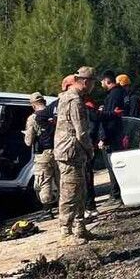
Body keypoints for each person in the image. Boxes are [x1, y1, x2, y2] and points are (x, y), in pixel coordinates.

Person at [55, 68, 96, 240]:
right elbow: (81, 132)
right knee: (70, 192)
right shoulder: (75, 100)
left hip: (71, 151)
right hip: (70, 152)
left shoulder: (68, 97)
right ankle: (66, 230)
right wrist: (90, 149)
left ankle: (80, 227)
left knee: (80, 190)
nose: (94, 86)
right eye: (93, 82)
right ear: (86, 81)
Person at [97, 71, 130, 202]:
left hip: (114, 136)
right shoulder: (121, 93)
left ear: (107, 81)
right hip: (120, 133)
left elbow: (110, 119)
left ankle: (116, 193)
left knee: (114, 166)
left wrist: (103, 138)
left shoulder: (113, 95)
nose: (101, 84)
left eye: (102, 82)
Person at [23, 92, 58, 210]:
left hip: (43, 154)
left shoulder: (32, 118)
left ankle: (47, 209)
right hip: (59, 150)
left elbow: (28, 141)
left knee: (44, 181)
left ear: (33, 105)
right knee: (61, 180)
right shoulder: (54, 113)